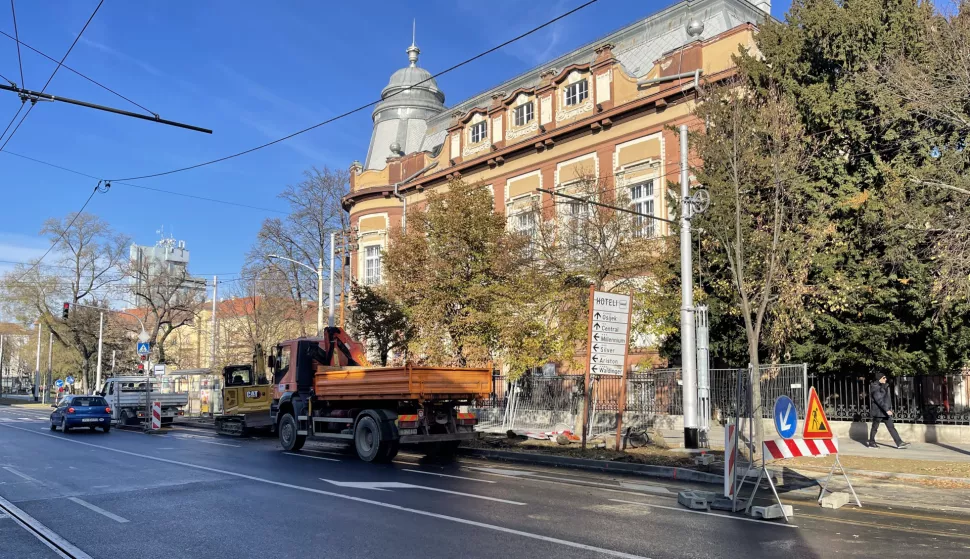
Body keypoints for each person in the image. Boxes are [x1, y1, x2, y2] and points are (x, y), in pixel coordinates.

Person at [868, 374, 909, 449]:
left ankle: (899, 443)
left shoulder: (883, 386)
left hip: (884, 411)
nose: (885, 379)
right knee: (875, 427)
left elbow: (886, 399)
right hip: (878, 411)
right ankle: (871, 443)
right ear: (879, 379)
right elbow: (879, 400)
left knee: (891, 427)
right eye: (884, 378)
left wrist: (888, 409)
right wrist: (886, 410)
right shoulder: (875, 387)